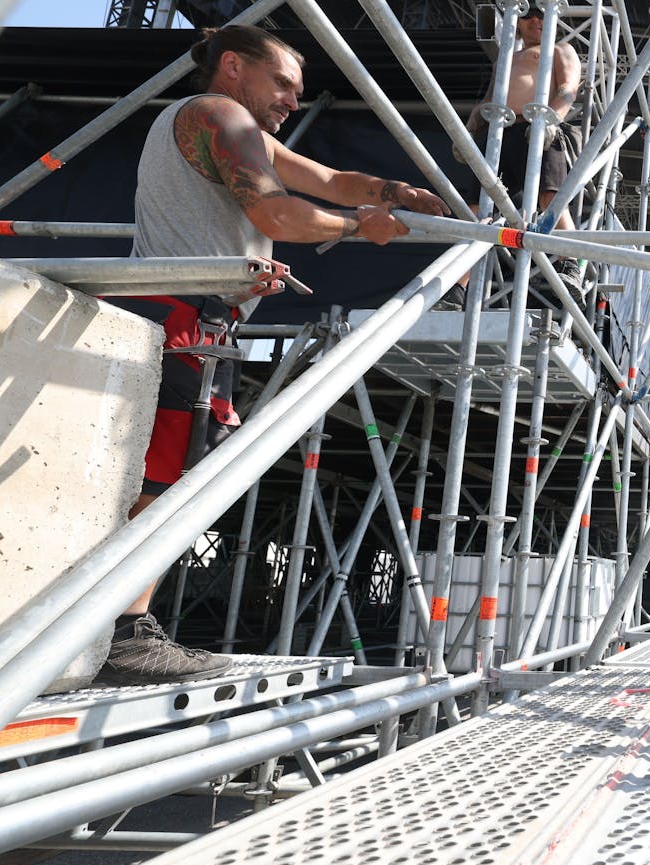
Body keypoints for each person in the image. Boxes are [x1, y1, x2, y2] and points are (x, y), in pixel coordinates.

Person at [101, 24, 449, 686]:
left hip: (197, 317)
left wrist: (390, 193)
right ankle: (123, 631)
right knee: (163, 483)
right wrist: (358, 228)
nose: (292, 98)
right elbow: (280, 215)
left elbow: (330, 178)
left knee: (170, 478)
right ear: (233, 66)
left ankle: (120, 622)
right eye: (283, 82)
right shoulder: (219, 114)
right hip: (184, 316)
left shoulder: (236, 128)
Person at [463, 4, 585, 292]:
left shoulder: (560, 50)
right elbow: (489, 98)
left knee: (549, 197)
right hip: (499, 133)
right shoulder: (506, 59)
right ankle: (459, 285)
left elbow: (568, 88)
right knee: (477, 208)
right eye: (528, 16)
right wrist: (468, 131)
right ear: (517, 22)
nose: (535, 21)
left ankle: (572, 263)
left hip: (539, 127)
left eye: (541, 15)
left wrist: (552, 122)